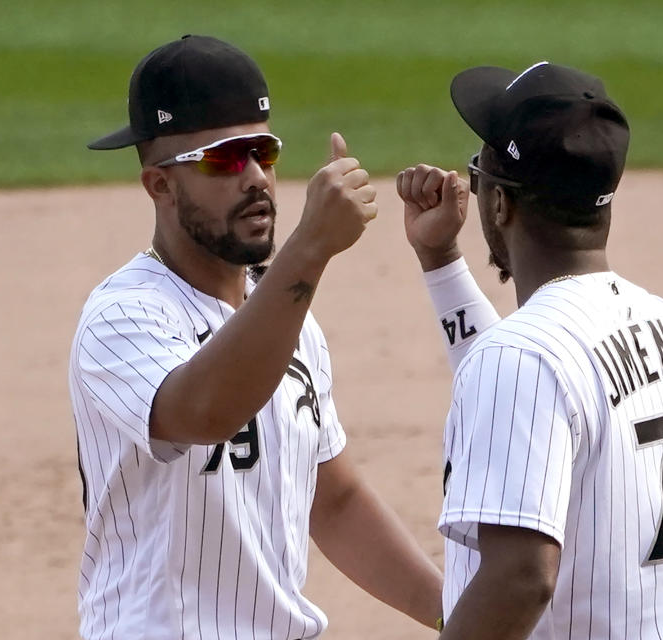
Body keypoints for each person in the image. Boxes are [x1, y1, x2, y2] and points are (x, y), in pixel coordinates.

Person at [68, 35, 442, 640]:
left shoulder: (286, 311)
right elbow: (204, 411)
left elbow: (335, 499)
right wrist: (310, 250)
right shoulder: (123, 316)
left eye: (262, 151)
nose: (255, 178)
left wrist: (462, 618)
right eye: (222, 159)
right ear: (159, 185)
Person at [396, 62, 663, 639]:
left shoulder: (526, 358)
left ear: (500, 205)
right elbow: (525, 383)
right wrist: (441, 259)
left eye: (480, 177)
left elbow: (522, 578)